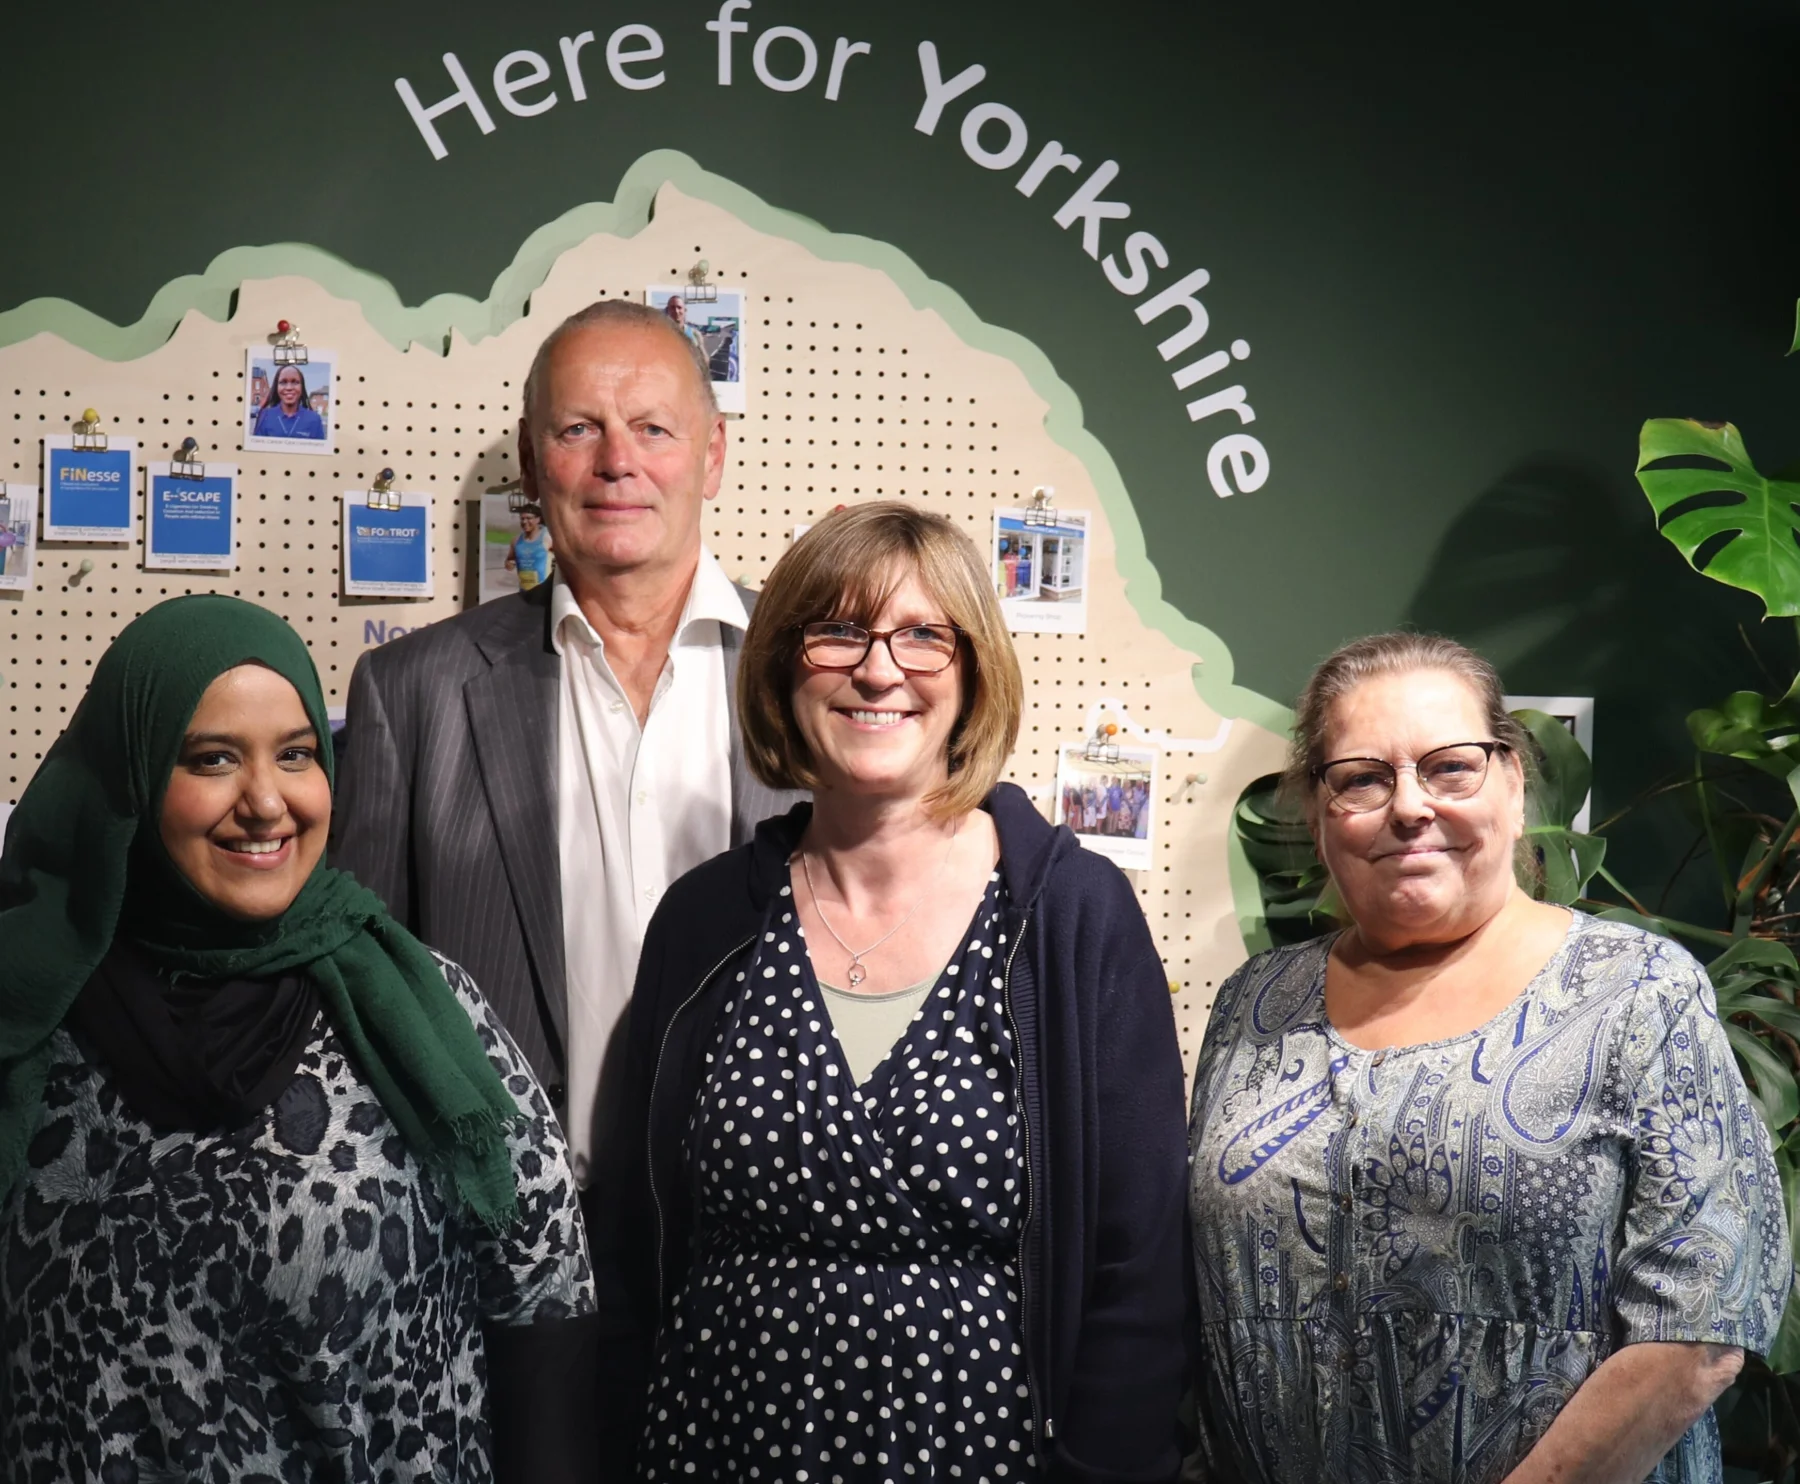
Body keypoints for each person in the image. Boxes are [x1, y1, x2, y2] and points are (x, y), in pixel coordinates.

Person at [598, 499, 1189, 1481]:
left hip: (981, 1453)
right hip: (718, 1444)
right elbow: (633, 1236)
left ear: (973, 673)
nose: (879, 669)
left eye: (923, 635)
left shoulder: (1069, 917)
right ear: (783, 667)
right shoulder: (705, 920)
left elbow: (1140, 1269)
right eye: (838, 630)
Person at [0, 595, 596, 1482]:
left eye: (297, 754)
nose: (266, 802)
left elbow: (544, 1302)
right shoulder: (29, 1008)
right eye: (212, 759)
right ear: (130, 777)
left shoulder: (417, 1007)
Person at [1187, 630, 1791, 1484]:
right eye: (1362, 778)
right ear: (1318, 817)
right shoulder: (1254, 1006)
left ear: (1512, 785)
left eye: (1450, 768)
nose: (1409, 806)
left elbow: (1700, 1329)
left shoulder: (1636, 993)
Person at [330, 299, 796, 1190]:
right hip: (513, 1234)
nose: (617, 461)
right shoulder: (411, 693)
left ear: (713, 455)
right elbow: (366, 1000)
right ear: (530, 458)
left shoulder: (816, 674)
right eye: (579, 429)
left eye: (653, 428)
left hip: (763, 1234)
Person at [252, 362, 327, 440]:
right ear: (276, 387)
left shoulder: (314, 419)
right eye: (283, 382)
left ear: (302, 387)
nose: (289, 387)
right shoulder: (265, 416)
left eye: (295, 382)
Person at [505, 499, 553, 590]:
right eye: (522, 519)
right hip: (524, 592)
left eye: (528, 518)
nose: (524, 522)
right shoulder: (516, 541)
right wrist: (509, 564)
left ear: (538, 519)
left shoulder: (548, 537)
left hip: (543, 592)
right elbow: (509, 562)